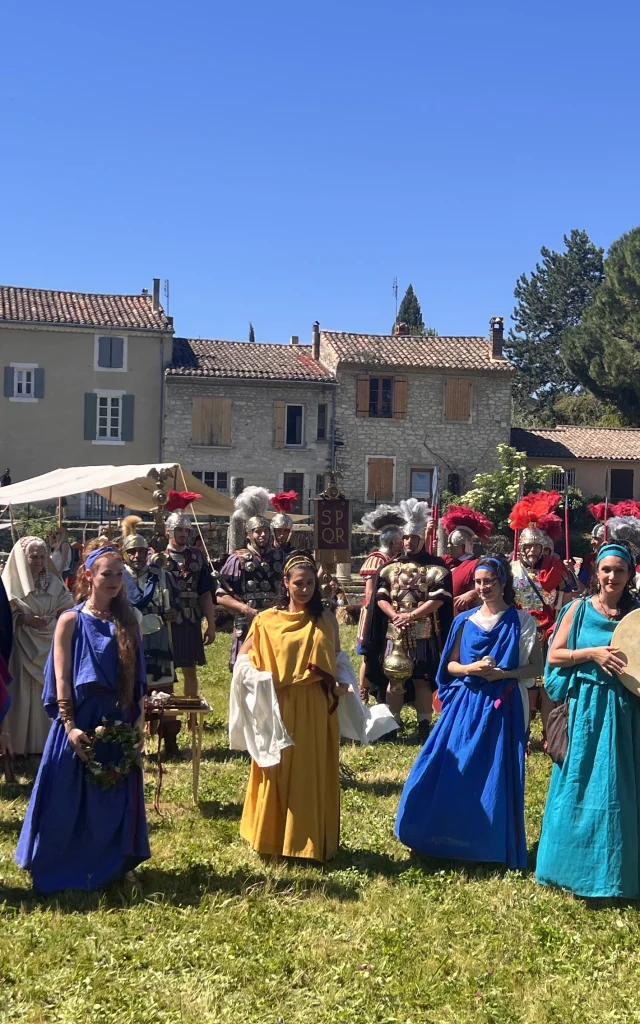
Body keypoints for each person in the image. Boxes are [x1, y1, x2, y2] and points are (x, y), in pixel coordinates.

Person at [15, 544, 150, 892]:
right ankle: (63, 862)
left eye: (120, 574)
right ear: (89, 575)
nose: (115, 581)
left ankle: (115, 866)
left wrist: (137, 721)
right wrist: (69, 726)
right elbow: (60, 678)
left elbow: (137, 678)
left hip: (119, 718)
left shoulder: (128, 620)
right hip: (81, 719)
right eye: (107, 573)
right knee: (67, 795)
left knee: (114, 794)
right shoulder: (71, 620)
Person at [395, 556, 542, 868]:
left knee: (494, 772)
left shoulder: (522, 621)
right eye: (478, 582)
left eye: (489, 581)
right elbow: (450, 665)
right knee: (449, 765)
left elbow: (536, 666)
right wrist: (471, 668)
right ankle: (438, 834)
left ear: (503, 582)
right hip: (467, 703)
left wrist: (502, 673)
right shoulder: (464, 620)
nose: (483, 587)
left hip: (504, 704)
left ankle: (487, 843)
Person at [536, 542, 640, 898]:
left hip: (627, 711)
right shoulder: (578, 610)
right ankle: (570, 869)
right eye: (606, 569)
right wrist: (592, 653)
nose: (612, 577)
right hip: (587, 710)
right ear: (596, 572)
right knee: (579, 784)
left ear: (631, 574)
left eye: (620, 570)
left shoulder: (636, 614)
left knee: (621, 787)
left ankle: (620, 872)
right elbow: (556, 655)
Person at [237, 551, 346, 861]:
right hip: (278, 704)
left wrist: (344, 681)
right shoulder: (266, 620)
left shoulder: (325, 618)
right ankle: (272, 840)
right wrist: (255, 679)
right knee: (277, 769)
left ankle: (308, 843)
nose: (305, 589)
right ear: (285, 583)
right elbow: (243, 660)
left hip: (315, 705)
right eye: (298, 583)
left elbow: (338, 658)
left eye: (311, 583)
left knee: (310, 773)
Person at [362, 498, 453, 744]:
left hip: (425, 632)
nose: (409, 542)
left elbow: (440, 599)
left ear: (422, 538)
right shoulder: (390, 566)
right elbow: (379, 597)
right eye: (406, 538)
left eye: (414, 538)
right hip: (395, 632)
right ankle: (392, 724)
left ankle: (424, 725)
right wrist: (394, 615)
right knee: (395, 678)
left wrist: (412, 615)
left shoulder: (436, 567)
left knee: (422, 680)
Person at [1, 537, 74, 755]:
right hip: (21, 646)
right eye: (34, 556)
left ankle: (43, 745)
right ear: (23, 558)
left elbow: (67, 605)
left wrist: (56, 618)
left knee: (45, 693)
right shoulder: (8, 584)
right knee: (21, 695)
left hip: (48, 644)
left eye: (43, 556)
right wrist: (23, 619)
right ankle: (18, 746)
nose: (40, 561)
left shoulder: (53, 581)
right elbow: (4, 616)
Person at [509, 492, 568, 742]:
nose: (531, 551)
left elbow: (567, 602)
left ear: (545, 547)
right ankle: (521, 735)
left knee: (545, 687)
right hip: (520, 631)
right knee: (522, 685)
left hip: (548, 633)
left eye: (535, 546)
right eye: (527, 546)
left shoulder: (558, 571)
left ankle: (548, 734)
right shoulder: (510, 570)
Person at [217, 486, 282, 670]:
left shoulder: (279, 557)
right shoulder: (237, 559)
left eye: (265, 531)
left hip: (274, 623)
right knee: (245, 671)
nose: (262, 535)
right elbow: (222, 595)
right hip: (247, 624)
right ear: (249, 534)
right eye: (257, 531)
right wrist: (244, 608)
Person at [160, 511, 216, 696]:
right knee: (162, 672)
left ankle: (191, 719)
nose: (183, 534)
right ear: (169, 530)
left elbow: (205, 593)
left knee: (190, 670)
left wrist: (211, 625)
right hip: (164, 621)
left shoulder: (197, 557)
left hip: (190, 620)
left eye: (186, 530)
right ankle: (163, 719)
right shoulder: (158, 557)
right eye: (179, 530)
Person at [357, 504, 404, 701]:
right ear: (392, 542)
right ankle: (363, 692)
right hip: (373, 615)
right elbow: (370, 592)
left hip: (387, 614)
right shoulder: (376, 559)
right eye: (399, 541)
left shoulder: (394, 560)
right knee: (370, 654)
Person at [440, 505, 494, 613]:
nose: (449, 547)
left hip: (465, 615)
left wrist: (473, 593)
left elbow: (491, 586)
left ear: (465, 547)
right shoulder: (447, 561)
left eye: (453, 545)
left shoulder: (477, 564)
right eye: (449, 544)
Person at [270, 490, 297, 558]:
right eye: (278, 531)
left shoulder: (295, 555)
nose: (282, 535)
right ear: (273, 531)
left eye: (285, 531)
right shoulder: (267, 554)